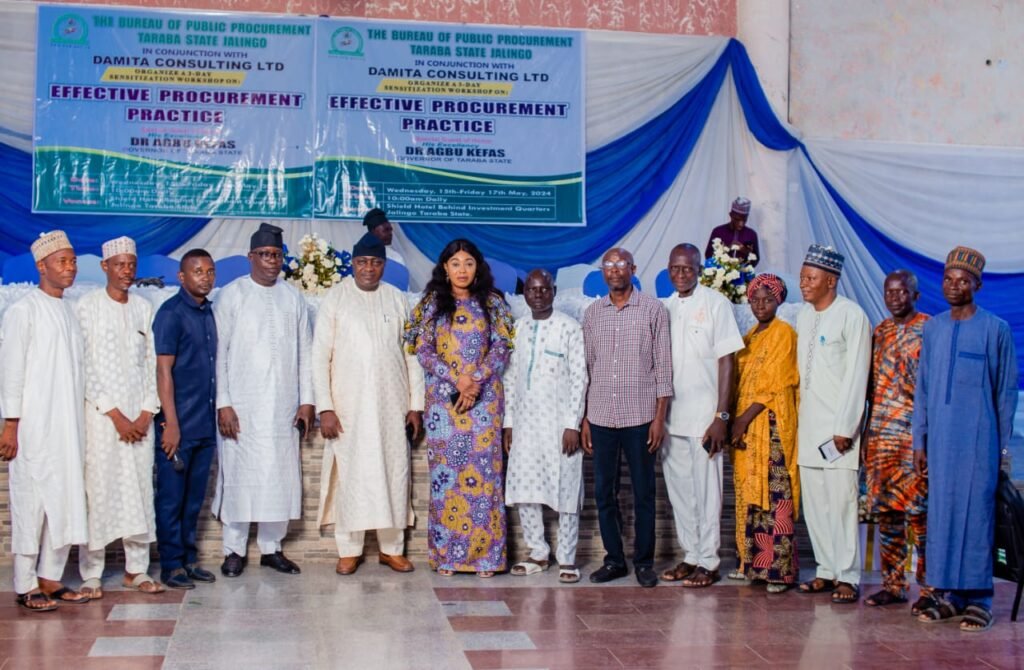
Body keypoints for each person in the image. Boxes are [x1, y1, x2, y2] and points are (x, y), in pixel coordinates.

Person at [913, 247, 1018, 632]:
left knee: (976, 517)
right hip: (939, 444)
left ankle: (980, 598)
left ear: (978, 285)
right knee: (942, 516)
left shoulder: (995, 329)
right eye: (948, 279)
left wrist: (1001, 450)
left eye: (963, 281)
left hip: (978, 444)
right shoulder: (934, 328)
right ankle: (951, 596)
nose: (953, 286)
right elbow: (923, 389)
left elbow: (1005, 394)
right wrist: (919, 441)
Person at [313, 233, 425, 576]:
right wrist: (325, 407)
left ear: (384, 266)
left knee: (393, 473)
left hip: (392, 406)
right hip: (349, 408)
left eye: (376, 263)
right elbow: (319, 357)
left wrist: (416, 405)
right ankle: (349, 550)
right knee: (352, 475)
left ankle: (392, 549)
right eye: (362, 262)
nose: (369, 269)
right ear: (352, 264)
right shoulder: (335, 299)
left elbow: (413, 356)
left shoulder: (397, 299)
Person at [405, 239, 514, 577]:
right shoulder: (430, 304)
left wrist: (475, 380)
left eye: (468, 263)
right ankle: (447, 556)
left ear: (478, 267)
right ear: (445, 268)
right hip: (444, 405)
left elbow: (503, 346)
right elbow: (421, 349)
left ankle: (486, 558)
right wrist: (457, 379)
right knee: (447, 480)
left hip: (484, 403)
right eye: (455, 263)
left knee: (485, 479)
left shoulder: (493, 303)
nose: (462, 270)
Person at [214, 223, 314, 577]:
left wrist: (307, 401)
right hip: (242, 406)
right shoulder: (231, 295)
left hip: (283, 405)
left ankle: (272, 548)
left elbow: (305, 353)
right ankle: (234, 550)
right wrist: (223, 403)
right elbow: (219, 353)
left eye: (277, 255)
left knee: (278, 477)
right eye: (265, 255)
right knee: (240, 476)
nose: (272, 261)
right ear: (251, 257)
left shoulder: (293, 298)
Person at [0, 231, 91, 611]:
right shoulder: (23, 310)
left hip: (68, 428)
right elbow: (11, 371)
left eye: (73, 261)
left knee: (64, 500)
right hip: (35, 426)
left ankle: (51, 578)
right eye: (62, 262)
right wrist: (10, 424)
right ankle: (25, 584)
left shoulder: (69, 312)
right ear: (42, 266)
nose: (70, 268)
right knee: (31, 501)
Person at [76, 236, 163, 597]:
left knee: (139, 490)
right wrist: (115, 414)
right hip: (102, 420)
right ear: (104, 267)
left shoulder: (144, 307)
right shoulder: (87, 306)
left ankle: (136, 570)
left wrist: (146, 411)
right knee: (98, 489)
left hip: (140, 420)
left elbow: (152, 363)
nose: (127, 271)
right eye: (119, 265)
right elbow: (85, 366)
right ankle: (91, 572)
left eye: (131, 265)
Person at [581, 247, 672, 588]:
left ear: (633, 269)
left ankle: (644, 563)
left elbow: (664, 367)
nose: (615, 269)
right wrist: (585, 418)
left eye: (621, 264)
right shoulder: (593, 313)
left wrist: (659, 418)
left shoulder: (653, 309)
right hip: (601, 416)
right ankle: (615, 560)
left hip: (641, 417)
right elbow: (587, 368)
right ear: (603, 272)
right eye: (608, 264)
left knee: (643, 492)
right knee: (604, 493)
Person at [659, 244, 744, 588]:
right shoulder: (664, 307)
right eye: (675, 268)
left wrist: (721, 415)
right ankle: (690, 556)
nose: (681, 274)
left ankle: (709, 561)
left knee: (708, 493)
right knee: (680, 493)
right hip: (672, 419)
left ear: (699, 269)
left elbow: (727, 360)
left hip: (705, 419)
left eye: (687, 268)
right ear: (668, 269)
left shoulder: (716, 304)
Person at [795, 244, 871, 604]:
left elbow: (858, 375)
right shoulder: (803, 316)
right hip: (809, 428)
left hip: (839, 433)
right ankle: (826, 570)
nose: (804, 284)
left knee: (841, 505)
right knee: (815, 507)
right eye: (802, 277)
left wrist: (846, 427)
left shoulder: (852, 316)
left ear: (831, 281)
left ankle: (848, 576)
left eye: (811, 278)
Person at [502, 269, 588, 584]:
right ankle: (537, 552)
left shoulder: (569, 328)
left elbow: (580, 378)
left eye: (544, 289)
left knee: (566, 490)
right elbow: (510, 378)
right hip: (525, 425)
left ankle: (567, 558)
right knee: (526, 488)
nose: (538, 295)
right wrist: (509, 423)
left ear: (554, 290)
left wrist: (572, 424)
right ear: (524, 293)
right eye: (532, 289)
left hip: (560, 425)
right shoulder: (518, 329)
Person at [863, 270, 932, 611]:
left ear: (915, 295)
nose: (894, 297)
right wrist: (866, 433)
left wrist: (928, 438)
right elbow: (870, 388)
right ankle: (893, 585)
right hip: (881, 438)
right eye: (889, 292)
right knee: (888, 514)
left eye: (901, 291)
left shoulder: (930, 330)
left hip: (914, 439)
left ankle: (930, 589)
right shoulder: (880, 331)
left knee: (920, 516)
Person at [152, 249, 219, 589]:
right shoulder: (171, 313)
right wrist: (171, 424)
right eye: (197, 271)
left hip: (205, 424)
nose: (205, 277)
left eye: (210, 271)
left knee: (193, 501)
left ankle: (190, 561)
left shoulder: (210, 312)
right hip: (178, 425)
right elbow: (163, 371)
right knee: (171, 499)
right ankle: (171, 565)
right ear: (182, 276)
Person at [730, 274, 800, 593]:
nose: (760, 305)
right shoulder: (749, 337)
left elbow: (777, 383)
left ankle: (779, 572)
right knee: (750, 494)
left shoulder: (784, 333)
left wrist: (743, 419)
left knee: (776, 497)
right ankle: (752, 564)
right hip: (747, 430)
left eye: (767, 299)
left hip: (771, 428)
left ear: (778, 301)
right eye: (755, 300)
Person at [704, 197, 759, 266]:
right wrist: (728, 248)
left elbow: (755, 260)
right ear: (731, 215)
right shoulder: (718, 231)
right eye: (737, 219)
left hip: (742, 272)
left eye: (744, 220)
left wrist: (745, 251)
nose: (741, 224)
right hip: (720, 272)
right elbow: (708, 255)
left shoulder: (751, 234)